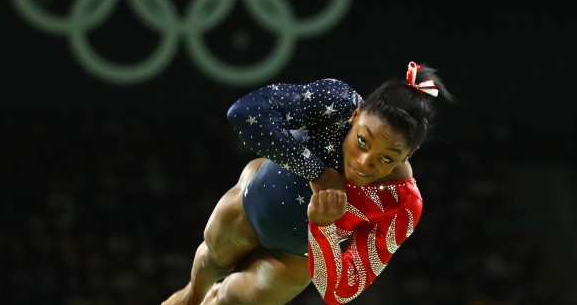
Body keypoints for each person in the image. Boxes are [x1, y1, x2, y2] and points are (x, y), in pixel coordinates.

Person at [163, 61, 455, 305]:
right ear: (355, 115)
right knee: (204, 273)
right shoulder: (336, 103)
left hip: (293, 258)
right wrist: (317, 172)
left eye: (387, 158)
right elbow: (243, 113)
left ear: (410, 154)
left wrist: (324, 227)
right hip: (254, 203)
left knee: (227, 301)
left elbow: (343, 290)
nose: (365, 163)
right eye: (362, 141)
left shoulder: (402, 204)